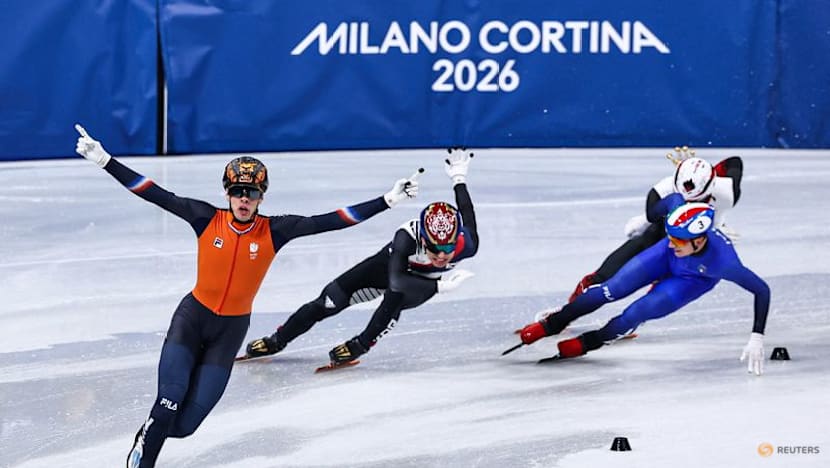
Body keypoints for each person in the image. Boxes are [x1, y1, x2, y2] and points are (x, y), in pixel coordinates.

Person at [73, 124, 420, 468]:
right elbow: (153, 192)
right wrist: (105, 160)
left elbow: (333, 220)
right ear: (227, 192)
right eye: (238, 191)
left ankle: (149, 433)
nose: (244, 199)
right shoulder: (205, 218)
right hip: (192, 321)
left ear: (261, 197)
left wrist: (387, 201)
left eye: (251, 193)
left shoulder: (276, 230)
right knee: (167, 404)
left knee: (183, 426)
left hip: (229, 333)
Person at [243, 148, 478, 367]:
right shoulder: (406, 236)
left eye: (447, 248)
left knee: (393, 301)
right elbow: (395, 279)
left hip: (416, 287)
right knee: (327, 301)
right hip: (387, 270)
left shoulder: (467, 244)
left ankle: (360, 344)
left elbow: (466, 212)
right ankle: (277, 340)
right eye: (433, 247)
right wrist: (440, 286)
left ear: (456, 239)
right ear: (422, 238)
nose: (440, 255)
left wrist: (459, 178)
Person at [515, 196, 771, 376]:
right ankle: (552, 324)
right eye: (670, 237)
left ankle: (590, 342)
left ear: (699, 240)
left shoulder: (725, 263)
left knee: (636, 313)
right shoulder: (674, 240)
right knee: (610, 289)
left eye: (679, 240)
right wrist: (648, 218)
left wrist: (757, 336)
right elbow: (672, 199)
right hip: (662, 260)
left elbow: (762, 290)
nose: (672, 243)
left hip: (691, 280)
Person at [567, 146, 743, 304]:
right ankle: (572, 305)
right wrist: (644, 220)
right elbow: (652, 215)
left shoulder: (726, 192)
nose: (687, 204)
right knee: (617, 267)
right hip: (663, 229)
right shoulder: (665, 188)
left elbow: (734, 162)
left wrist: (704, 169)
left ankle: (634, 318)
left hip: (697, 241)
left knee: (664, 282)